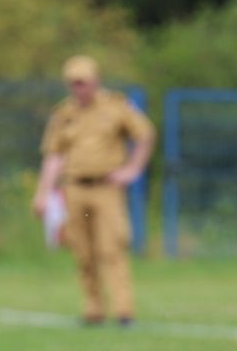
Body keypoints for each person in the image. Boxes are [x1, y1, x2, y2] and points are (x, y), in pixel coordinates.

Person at [32, 56, 155, 327]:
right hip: (74, 188)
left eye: (83, 83)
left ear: (95, 81)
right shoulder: (64, 114)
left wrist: (133, 169)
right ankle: (93, 310)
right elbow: (53, 156)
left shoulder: (116, 106)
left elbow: (145, 135)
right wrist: (42, 193)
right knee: (82, 252)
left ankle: (124, 311)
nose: (79, 89)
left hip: (106, 188)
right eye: (74, 84)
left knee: (112, 248)